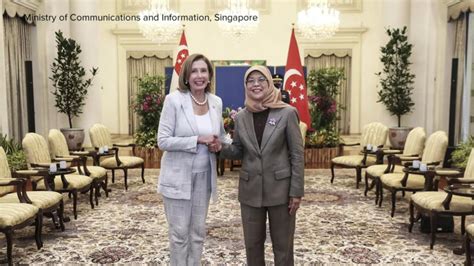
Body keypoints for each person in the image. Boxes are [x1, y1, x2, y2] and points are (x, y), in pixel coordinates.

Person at [214, 65, 304, 265]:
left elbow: (297, 154)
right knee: (252, 246)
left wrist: (296, 191)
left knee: (283, 246)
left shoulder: (287, 113)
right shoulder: (242, 117)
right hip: (250, 191)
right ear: (245, 85)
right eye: (250, 80)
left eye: (261, 79)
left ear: (270, 82)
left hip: (281, 191)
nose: (256, 84)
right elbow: (238, 150)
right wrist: (219, 147)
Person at [157, 53, 229, 265]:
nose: (199, 75)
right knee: (179, 235)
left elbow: (222, 136)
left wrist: (220, 145)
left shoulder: (216, 102)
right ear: (186, 76)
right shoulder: (174, 101)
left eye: (204, 71)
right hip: (177, 177)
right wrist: (197, 140)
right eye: (194, 71)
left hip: (204, 177)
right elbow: (163, 141)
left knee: (198, 233)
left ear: (210, 75)